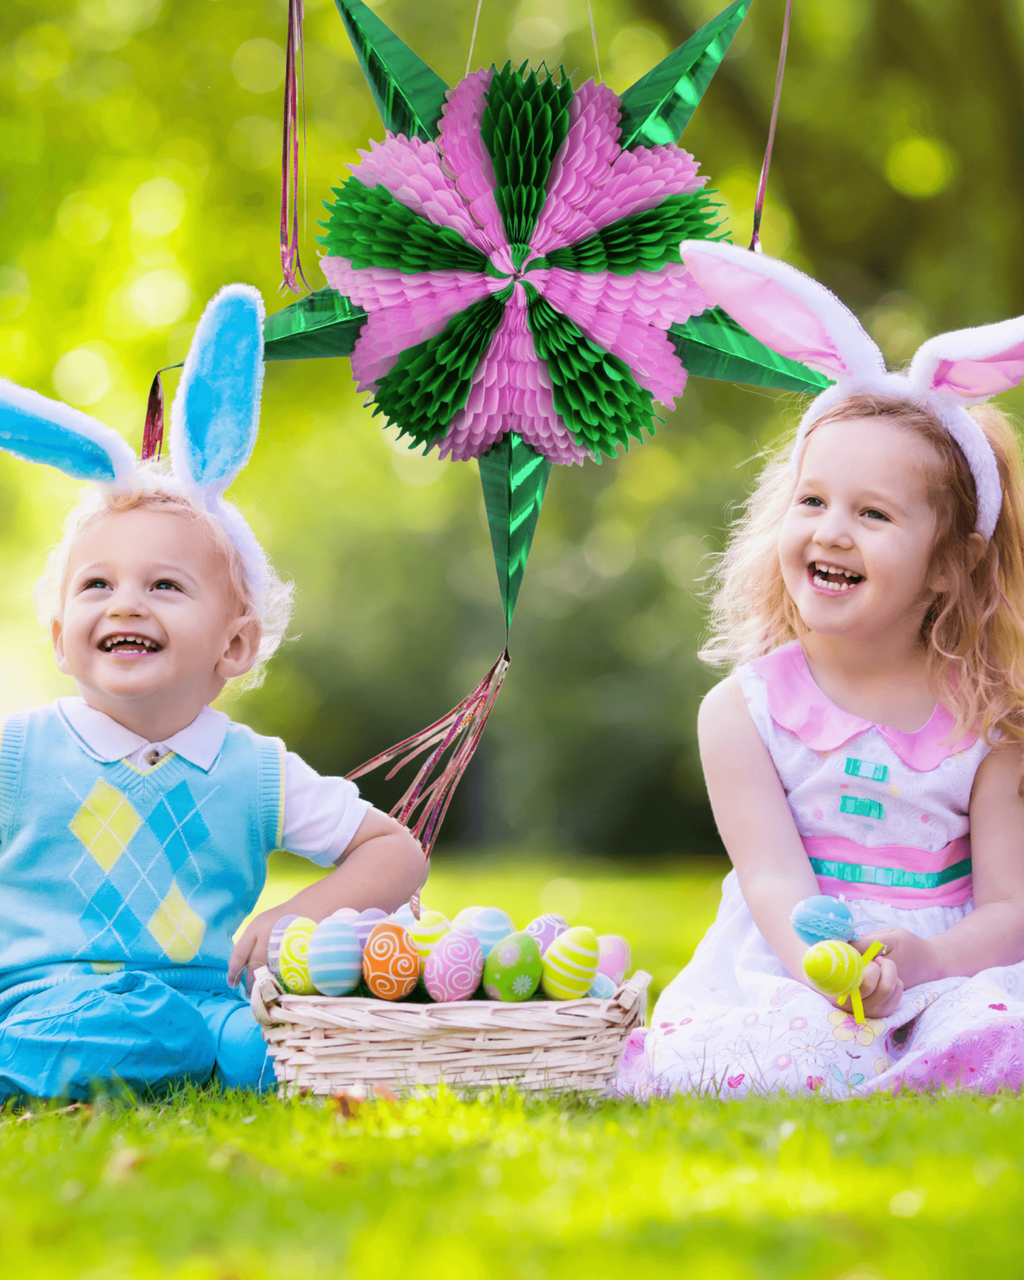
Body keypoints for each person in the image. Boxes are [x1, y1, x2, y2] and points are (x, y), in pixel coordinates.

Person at [618, 240, 1024, 1096]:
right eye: (813, 501)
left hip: (948, 971)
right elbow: (771, 879)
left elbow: (1011, 913)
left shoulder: (991, 721)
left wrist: (924, 963)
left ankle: (928, 1057)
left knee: (997, 1033)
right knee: (789, 1046)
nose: (832, 531)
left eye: (873, 513)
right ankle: (847, 1056)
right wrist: (830, 970)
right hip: (802, 963)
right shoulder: (746, 710)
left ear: (951, 562)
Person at [0, 285, 424, 1102]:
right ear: (59, 636)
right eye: (96, 585)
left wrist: (304, 912)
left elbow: (396, 853)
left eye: (164, 585)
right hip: (41, 1000)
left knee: (276, 1044)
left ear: (234, 644)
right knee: (135, 1029)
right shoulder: (22, 754)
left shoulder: (252, 770)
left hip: (211, 1000)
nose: (126, 604)